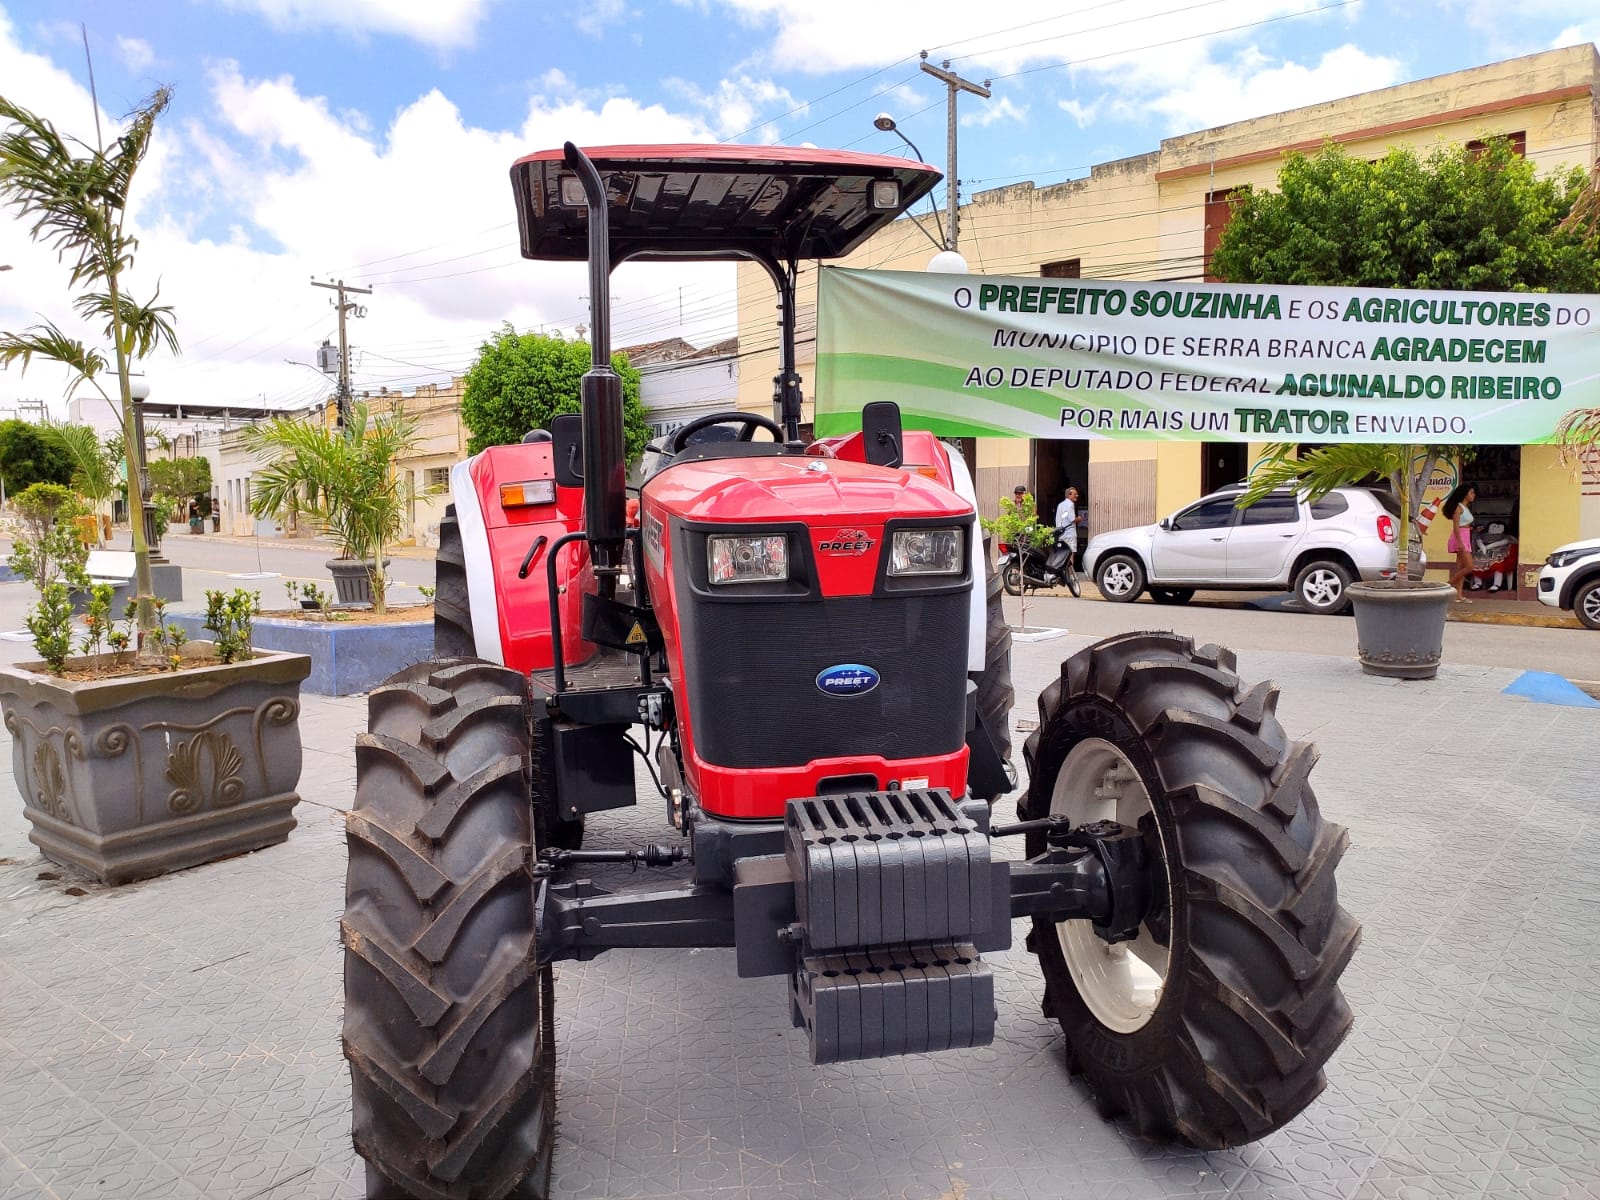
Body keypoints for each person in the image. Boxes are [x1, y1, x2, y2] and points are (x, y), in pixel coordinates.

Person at [1442, 482, 1477, 602]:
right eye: (1471, 493)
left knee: (1461, 567)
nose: (1474, 495)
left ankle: (1459, 595)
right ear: (1465, 494)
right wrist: (1460, 542)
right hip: (1460, 538)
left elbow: (1464, 524)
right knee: (1469, 567)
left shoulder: (1465, 507)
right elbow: (1456, 527)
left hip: (1466, 535)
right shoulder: (1458, 508)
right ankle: (1447, 585)